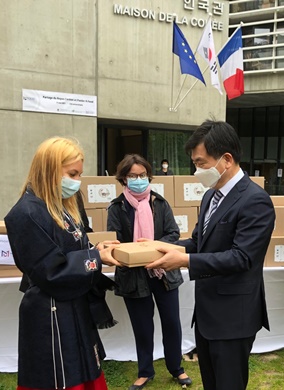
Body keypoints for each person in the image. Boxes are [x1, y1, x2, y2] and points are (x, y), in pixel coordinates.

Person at [145, 120, 275, 390]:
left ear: (226, 159)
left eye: (202, 163)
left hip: (233, 319)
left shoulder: (255, 200)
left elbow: (241, 258)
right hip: (206, 315)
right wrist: (160, 246)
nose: (197, 171)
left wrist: (184, 261)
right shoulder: (210, 196)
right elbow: (198, 241)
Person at [4, 136, 121, 390]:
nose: (77, 181)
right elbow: (50, 270)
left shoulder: (64, 206)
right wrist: (95, 258)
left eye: (79, 174)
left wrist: (96, 249)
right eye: (72, 173)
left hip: (74, 305)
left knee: (84, 370)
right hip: (50, 314)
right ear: (49, 169)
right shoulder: (26, 213)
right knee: (60, 377)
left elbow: (76, 248)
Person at [106, 154, 191, 390]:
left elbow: (173, 234)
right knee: (142, 326)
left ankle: (177, 368)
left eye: (142, 175)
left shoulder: (160, 203)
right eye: (133, 176)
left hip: (163, 272)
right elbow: (114, 242)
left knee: (172, 323)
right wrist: (135, 251)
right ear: (124, 178)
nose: (138, 180)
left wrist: (151, 246)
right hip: (134, 275)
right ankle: (145, 371)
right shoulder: (117, 208)